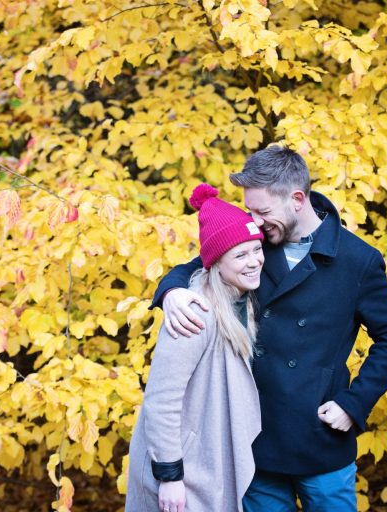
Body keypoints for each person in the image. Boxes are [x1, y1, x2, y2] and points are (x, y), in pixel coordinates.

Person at [152, 145, 387, 511]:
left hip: (321, 439)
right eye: (250, 211)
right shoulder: (254, 245)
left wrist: (354, 403)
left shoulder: (357, 260)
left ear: (296, 199)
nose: (255, 221)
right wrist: (172, 291)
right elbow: (201, 264)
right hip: (256, 441)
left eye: (262, 211)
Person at [126, 183, 265, 512]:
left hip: (207, 460)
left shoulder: (238, 300)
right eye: (240, 255)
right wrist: (170, 475)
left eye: (256, 249)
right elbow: (162, 400)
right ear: (216, 263)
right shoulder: (195, 312)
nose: (254, 261)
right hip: (183, 470)